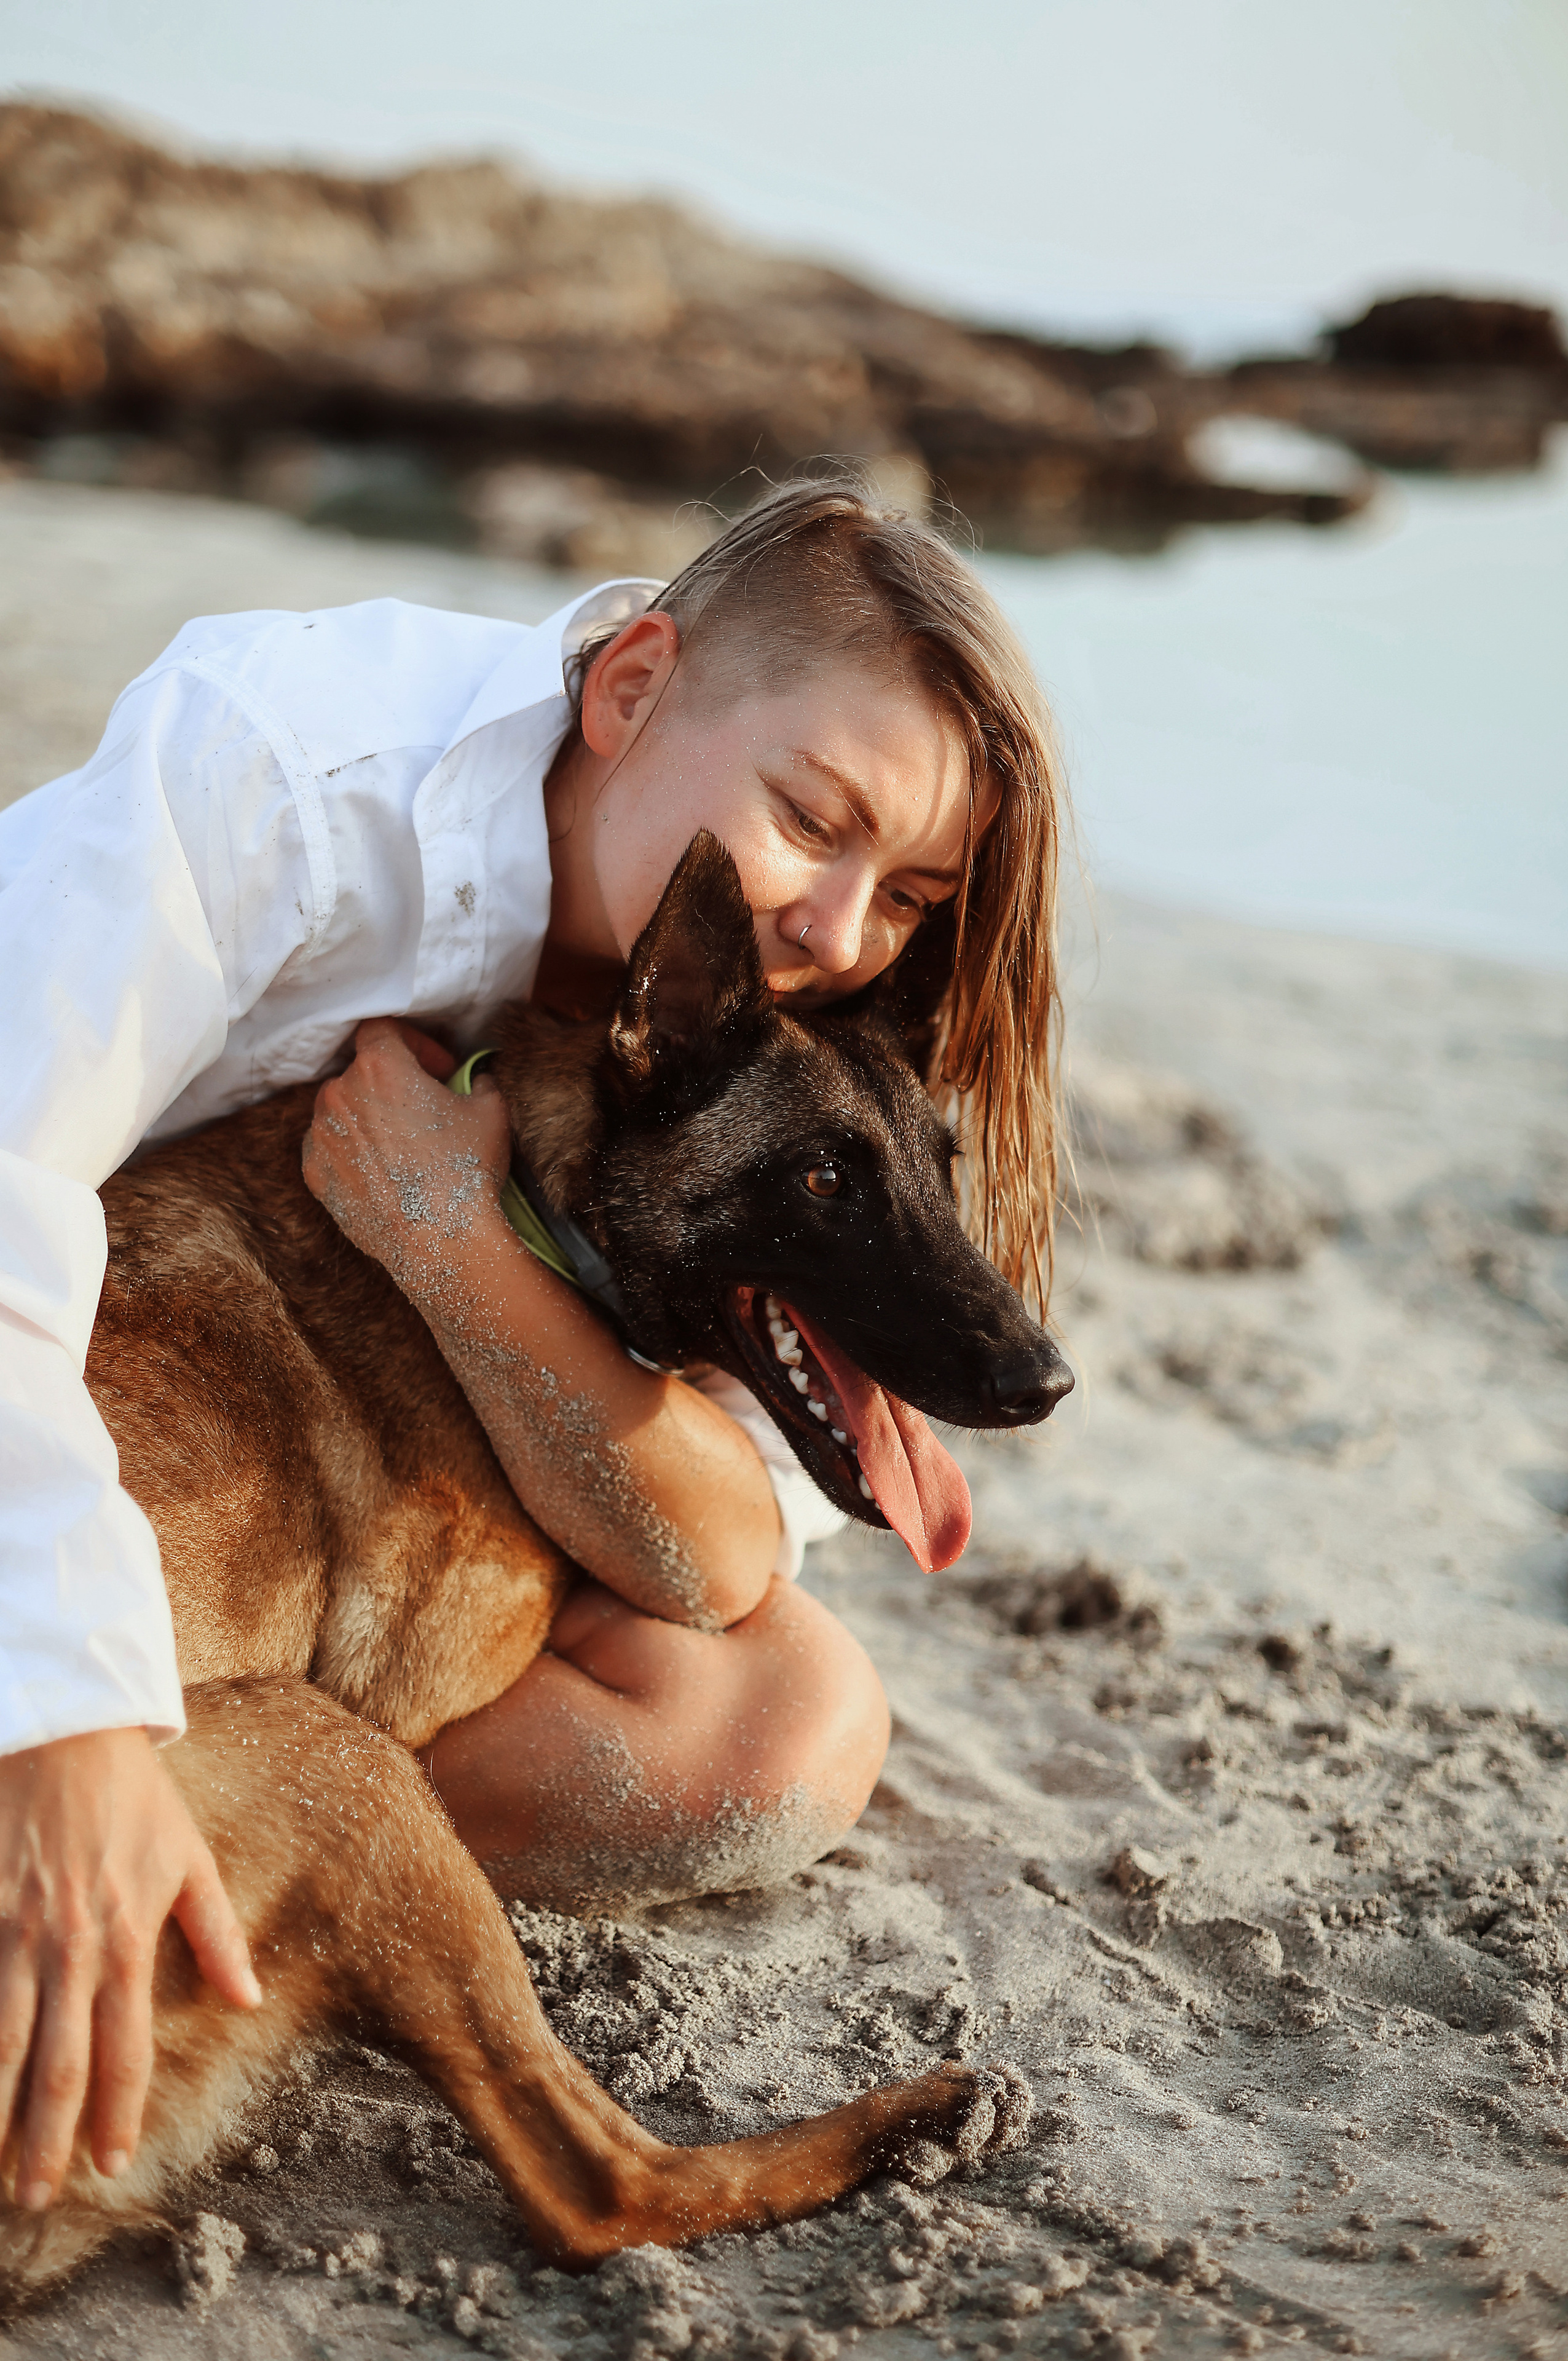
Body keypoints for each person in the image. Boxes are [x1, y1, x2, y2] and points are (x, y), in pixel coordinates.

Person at [0, 475, 1068, 2213]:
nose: (835, 930)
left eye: (914, 893)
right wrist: (62, 1725)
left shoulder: (758, 1043)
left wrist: (447, 1245)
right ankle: (500, 2089)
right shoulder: (282, 767)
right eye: (814, 818)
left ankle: (244, 1873)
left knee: (779, 1719)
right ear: (632, 687)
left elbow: (723, 1552)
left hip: (258, 1467)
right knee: (319, 1770)